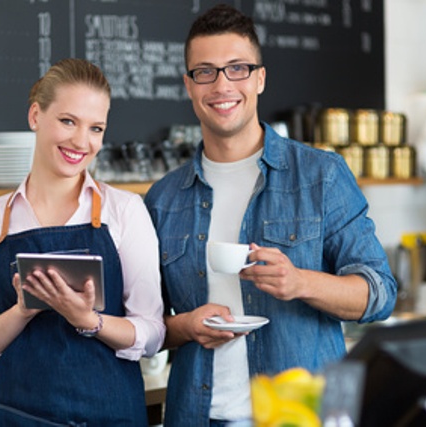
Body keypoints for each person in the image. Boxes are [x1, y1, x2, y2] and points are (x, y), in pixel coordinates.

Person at [144, 4, 397, 426]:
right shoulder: (163, 199)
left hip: (303, 415)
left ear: (260, 78)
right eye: (205, 71)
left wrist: (299, 282)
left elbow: (379, 293)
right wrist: (187, 326)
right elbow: (145, 326)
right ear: (189, 86)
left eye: (237, 68)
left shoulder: (322, 176)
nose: (222, 84)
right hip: (199, 416)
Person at [0, 58, 165, 426]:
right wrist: (22, 311)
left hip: (111, 417)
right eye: (68, 121)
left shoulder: (125, 211)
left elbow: (151, 333)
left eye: (96, 128)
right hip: (20, 417)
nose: (81, 142)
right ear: (35, 116)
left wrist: (87, 319)